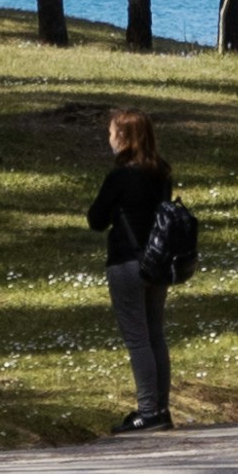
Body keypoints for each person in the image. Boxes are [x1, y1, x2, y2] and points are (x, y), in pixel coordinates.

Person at [87, 105, 191, 432]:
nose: (109, 138)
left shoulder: (120, 176)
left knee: (137, 339)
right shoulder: (161, 173)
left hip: (125, 262)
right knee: (156, 334)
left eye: (112, 133)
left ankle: (147, 411)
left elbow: (96, 219)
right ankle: (161, 407)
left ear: (124, 138)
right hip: (156, 262)